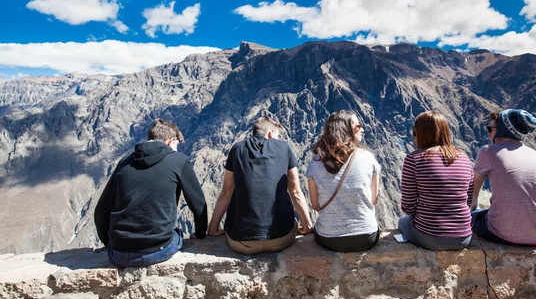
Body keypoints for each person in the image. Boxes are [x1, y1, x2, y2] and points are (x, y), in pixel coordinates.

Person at [94, 119, 208, 267]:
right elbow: (198, 204)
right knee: (177, 234)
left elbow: (101, 211)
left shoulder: (125, 162)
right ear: (169, 141)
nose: (177, 150)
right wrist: (200, 234)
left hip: (117, 254)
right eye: (176, 145)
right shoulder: (178, 160)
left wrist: (110, 243)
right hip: (157, 250)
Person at [208, 116, 312, 255]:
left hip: (241, 242)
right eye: (276, 135)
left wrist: (213, 229)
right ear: (271, 133)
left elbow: (226, 192)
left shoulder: (237, 148)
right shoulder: (284, 147)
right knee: (291, 222)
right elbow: (295, 192)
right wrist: (307, 227)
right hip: (280, 239)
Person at [471, 109, 536, 246]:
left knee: (475, 216)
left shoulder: (488, 152)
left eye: (490, 129)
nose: (488, 133)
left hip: (502, 234)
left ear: (502, 131)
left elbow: (472, 199)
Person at [398, 111, 474, 251]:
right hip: (464, 237)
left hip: (431, 237)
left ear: (418, 134)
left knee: (403, 221)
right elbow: (468, 201)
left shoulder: (414, 159)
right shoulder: (464, 158)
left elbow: (408, 207)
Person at [307, 111, 381, 252]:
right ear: (347, 129)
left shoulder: (316, 162)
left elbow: (315, 205)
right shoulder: (368, 158)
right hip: (367, 237)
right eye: (358, 126)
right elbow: (374, 199)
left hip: (329, 238)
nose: (362, 129)